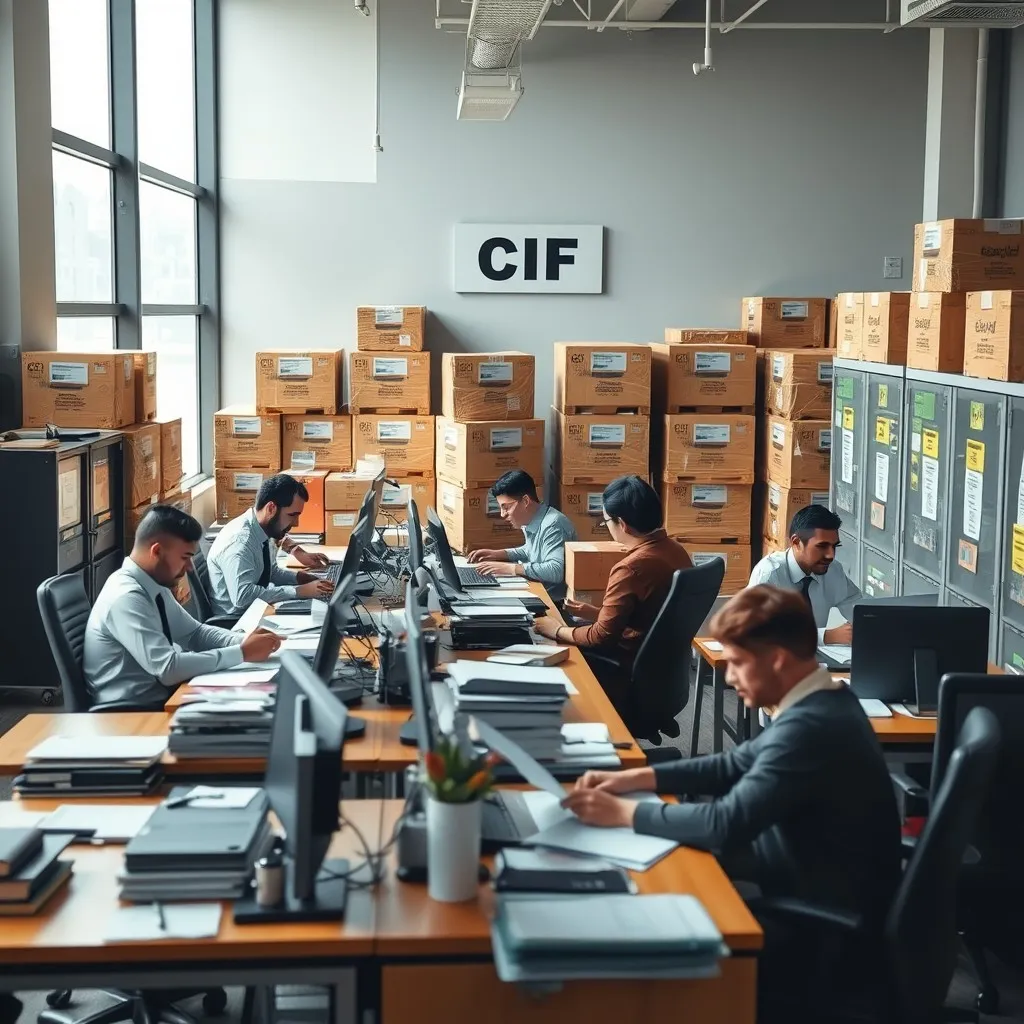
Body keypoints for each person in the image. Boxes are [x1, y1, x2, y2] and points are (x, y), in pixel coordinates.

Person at [562, 585, 901, 1021]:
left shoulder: (809, 728)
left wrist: (624, 813)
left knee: (660, 939)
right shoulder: (824, 702)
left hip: (821, 925)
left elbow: (725, 824)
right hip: (805, 876)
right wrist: (637, 776)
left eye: (738, 663)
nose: (729, 677)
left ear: (776, 659)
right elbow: (734, 763)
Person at [83, 505, 282, 709]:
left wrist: (246, 641)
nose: (189, 567)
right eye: (185, 557)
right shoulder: (126, 597)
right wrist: (241, 653)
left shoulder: (152, 584)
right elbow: (167, 669)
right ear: (157, 551)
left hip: (165, 696)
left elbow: (194, 634)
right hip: (134, 713)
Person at [533, 475, 691, 715]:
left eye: (605, 520)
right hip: (661, 674)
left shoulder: (631, 567)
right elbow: (653, 618)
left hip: (627, 672)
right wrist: (598, 614)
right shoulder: (675, 551)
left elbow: (600, 637)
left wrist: (556, 629)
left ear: (623, 524)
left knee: (546, 652)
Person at [207, 473, 334, 617]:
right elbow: (242, 597)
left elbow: (269, 572)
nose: (296, 523)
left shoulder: (262, 530)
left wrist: (300, 578)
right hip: (239, 621)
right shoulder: (240, 543)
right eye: (292, 515)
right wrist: (299, 591)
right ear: (271, 508)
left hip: (259, 609)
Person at [747, 503, 861, 645]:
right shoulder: (769, 574)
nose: (831, 555)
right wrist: (825, 636)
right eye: (822, 546)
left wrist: (868, 624)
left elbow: (857, 604)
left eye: (834, 546)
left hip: (815, 660)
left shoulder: (832, 570)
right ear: (796, 542)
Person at [467, 469, 577, 602]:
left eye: (506, 507)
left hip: (553, 603)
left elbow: (555, 570)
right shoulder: (533, 519)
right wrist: (498, 554)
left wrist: (510, 568)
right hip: (537, 590)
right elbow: (532, 551)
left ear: (525, 501)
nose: (502, 514)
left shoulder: (554, 525)